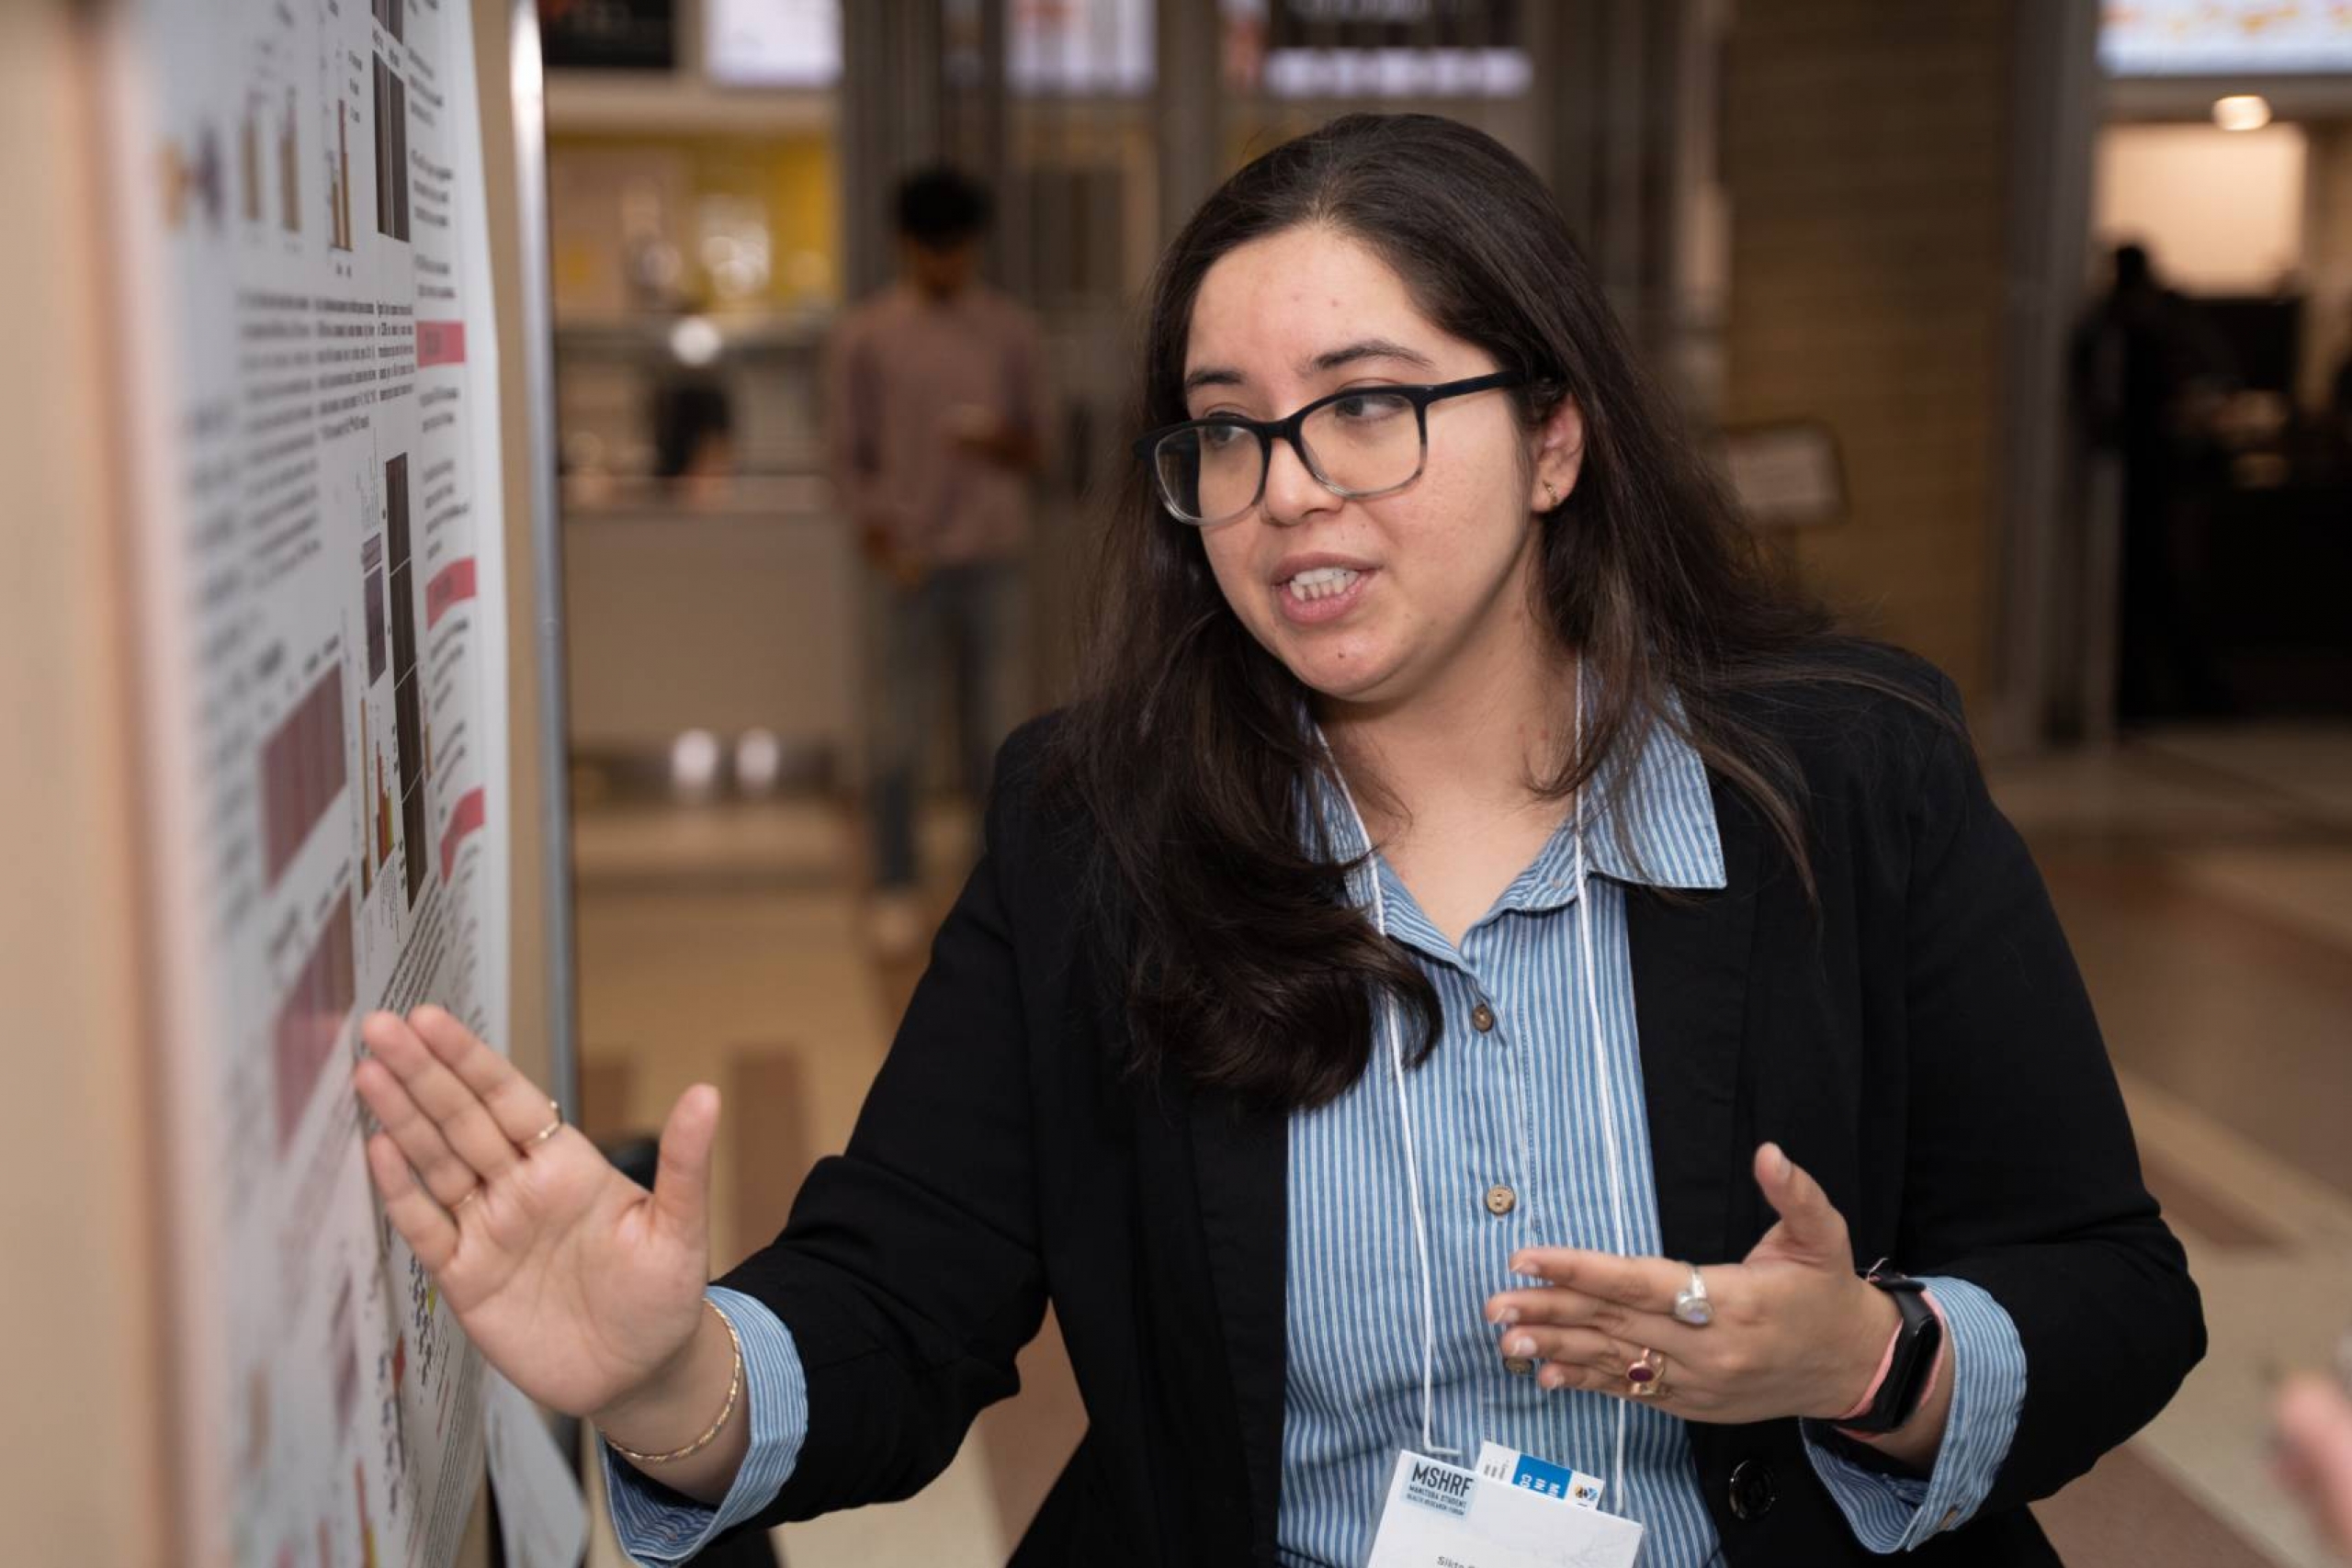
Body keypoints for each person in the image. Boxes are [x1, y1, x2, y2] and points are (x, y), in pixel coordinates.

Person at [355, 115, 2203, 1565]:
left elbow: (2107, 1285)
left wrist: (1867, 1359)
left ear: (1553, 434)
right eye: (1223, 435)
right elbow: (903, 1296)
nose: (1284, 489)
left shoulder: (1845, 782)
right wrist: (674, 1374)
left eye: (1369, 407)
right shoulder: (1098, 832)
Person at [828, 164, 1046, 956]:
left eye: (956, 248)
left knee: (998, 728)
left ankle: (995, 887)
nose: (944, 263)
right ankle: (894, 882)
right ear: (905, 245)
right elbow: (847, 457)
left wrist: (997, 439)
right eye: (931, 248)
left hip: (992, 552)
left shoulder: (1011, 330)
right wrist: (881, 540)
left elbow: (1039, 444)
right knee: (897, 732)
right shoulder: (866, 334)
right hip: (906, 559)